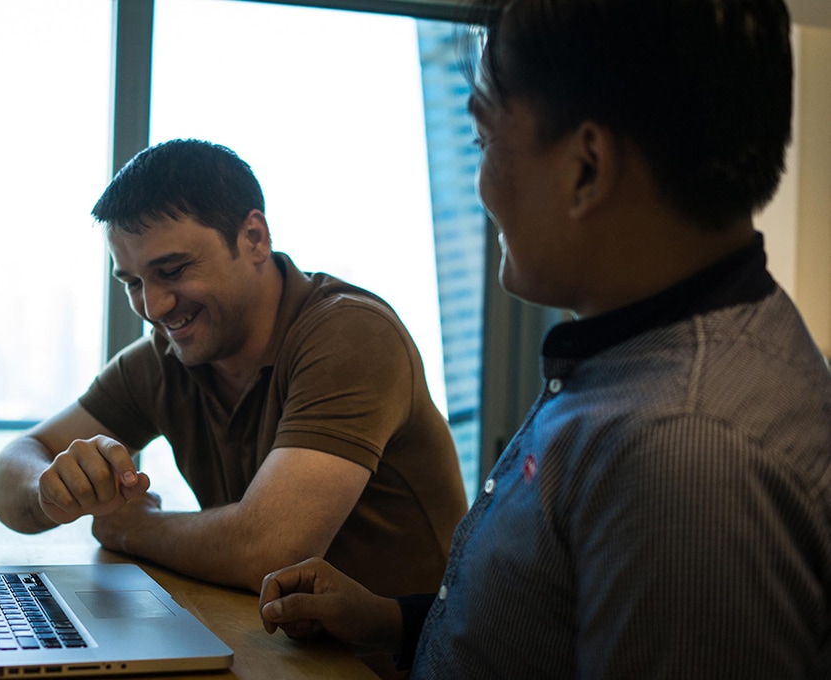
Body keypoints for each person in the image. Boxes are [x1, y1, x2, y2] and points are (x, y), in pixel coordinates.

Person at [259, 0, 831, 676]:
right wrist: (392, 620)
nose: (481, 186)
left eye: (484, 141)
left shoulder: (684, 453)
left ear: (586, 168)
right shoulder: (640, 350)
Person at [0, 138, 468, 595]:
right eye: (132, 282)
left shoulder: (351, 335)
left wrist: (134, 529)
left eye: (172, 271)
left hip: (402, 651)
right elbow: (1, 474)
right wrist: (50, 491)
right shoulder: (167, 355)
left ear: (254, 238)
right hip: (273, 639)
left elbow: (269, 550)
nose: (153, 306)